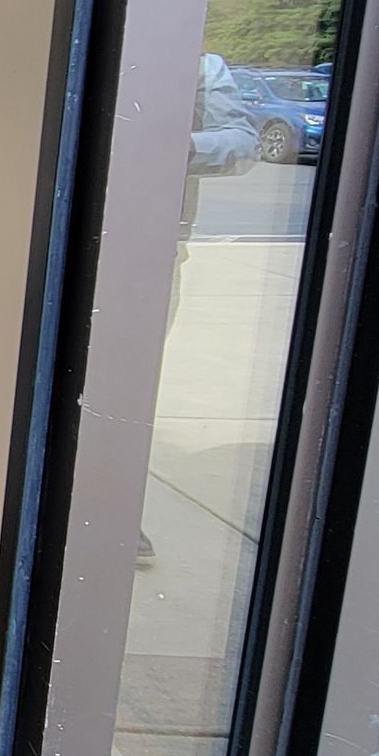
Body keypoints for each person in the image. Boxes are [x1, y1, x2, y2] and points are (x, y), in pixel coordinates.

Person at [138, 52, 259, 566]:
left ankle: (110, 507)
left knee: (130, 387)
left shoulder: (201, 67)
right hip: (52, 242)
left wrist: (183, 146)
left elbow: (243, 143)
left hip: (150, 254)